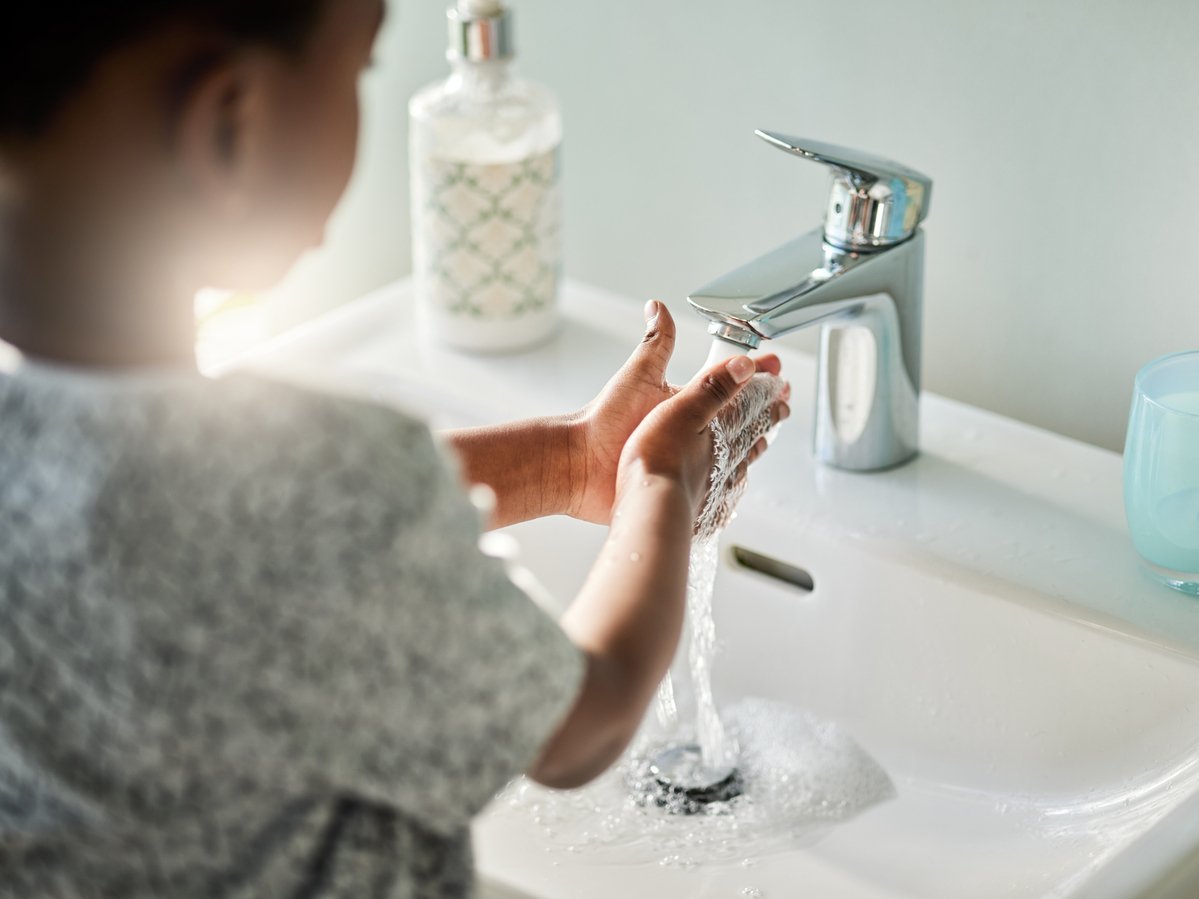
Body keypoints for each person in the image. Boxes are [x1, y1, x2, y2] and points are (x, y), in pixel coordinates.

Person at [0, 1, 789, 896]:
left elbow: (235, 532)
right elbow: (584, 724)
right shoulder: (321, 485)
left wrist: (567, 460)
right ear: (232, 121)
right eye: (359, 67)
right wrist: (661, 480)